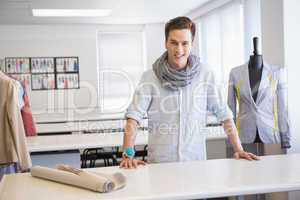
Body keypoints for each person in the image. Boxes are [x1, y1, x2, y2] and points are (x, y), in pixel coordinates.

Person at [120, 16, 259, 169]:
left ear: (191, 44)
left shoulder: (205, 74)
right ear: (166, 43)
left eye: (184, 43)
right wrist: (128, 154)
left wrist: (239, 149)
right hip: (160, 164)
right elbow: (133, 117)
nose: (179, 50)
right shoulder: (149, 77)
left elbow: (224, 115)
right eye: (173, 43)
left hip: (195, 163)